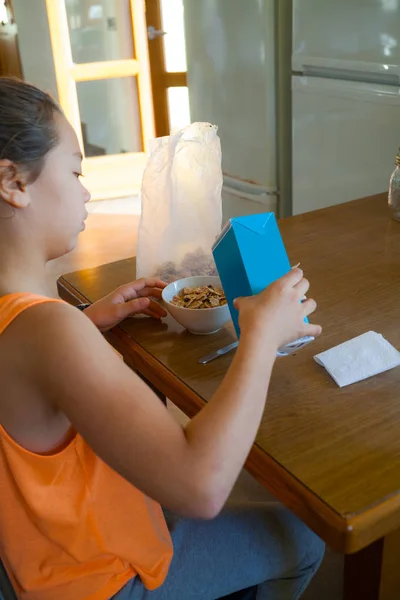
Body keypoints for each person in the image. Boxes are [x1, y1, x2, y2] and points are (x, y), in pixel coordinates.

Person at [0, 77, 324, 600]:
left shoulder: (31, 324)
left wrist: (85, 323)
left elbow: (26, 371)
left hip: (38, 562)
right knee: (305, 537)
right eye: (76, 170)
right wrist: (261, 335)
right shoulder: (50, 330)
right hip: (100, 581)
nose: (86, 190)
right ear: (13, 182)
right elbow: (201, 487)